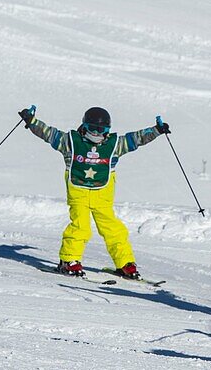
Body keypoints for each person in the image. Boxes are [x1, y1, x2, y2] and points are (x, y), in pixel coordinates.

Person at [19, 105, 169, 279]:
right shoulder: (70, 143)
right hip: (79, 194)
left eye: (102, 130)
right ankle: (69, 260)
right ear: (84, 126)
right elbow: (48, 133)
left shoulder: (115, 146)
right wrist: (31, 121)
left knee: (114, 229)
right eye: (93, 129)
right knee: (80, 227)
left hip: (102, 196)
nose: (97, 134)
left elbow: (136, 139)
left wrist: (156, 130)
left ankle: (125, 263)